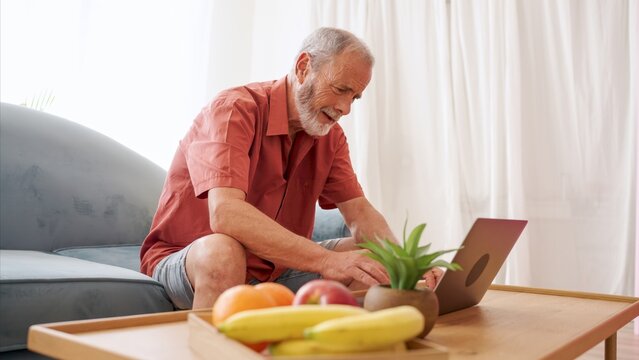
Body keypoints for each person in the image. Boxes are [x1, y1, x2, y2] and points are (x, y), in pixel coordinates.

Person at [140, 27, 440, 310]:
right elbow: (226, 215)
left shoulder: (330, 136)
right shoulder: (233, 109)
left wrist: (407, 262)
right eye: (340, 89)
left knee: (379, 260)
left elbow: (359, 212)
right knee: (223, 251)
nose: (345, 108)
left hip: (273, 269)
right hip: (188, 261)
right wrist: (325, 260)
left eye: (355, 97)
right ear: (303, 67)